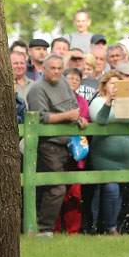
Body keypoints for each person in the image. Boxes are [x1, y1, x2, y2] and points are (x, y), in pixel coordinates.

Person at [27, 54, 87, 236]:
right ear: (43, 69)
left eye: (59, 68)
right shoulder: (37, 89)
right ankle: (44, 229)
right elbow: (41, 118)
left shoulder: (62, 82)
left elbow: (73, 107)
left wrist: (80, 119)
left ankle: (49, 228)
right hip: (48, 144)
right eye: (52, 68)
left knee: (67, 188)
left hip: (68, 143)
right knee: (56, 187)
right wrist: (68, 116)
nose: (56, 72)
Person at [88, 71, 129, 234]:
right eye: (112, 84)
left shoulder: (126, 102)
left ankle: (113, 225)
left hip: (127, 157)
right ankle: (110, 227)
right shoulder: (98, 101)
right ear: (104, 86)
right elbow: (100, 119)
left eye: (118, 84)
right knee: (111, 189)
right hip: (104, 157)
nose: (115, 87)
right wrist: (109, 101)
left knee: (119, 191)